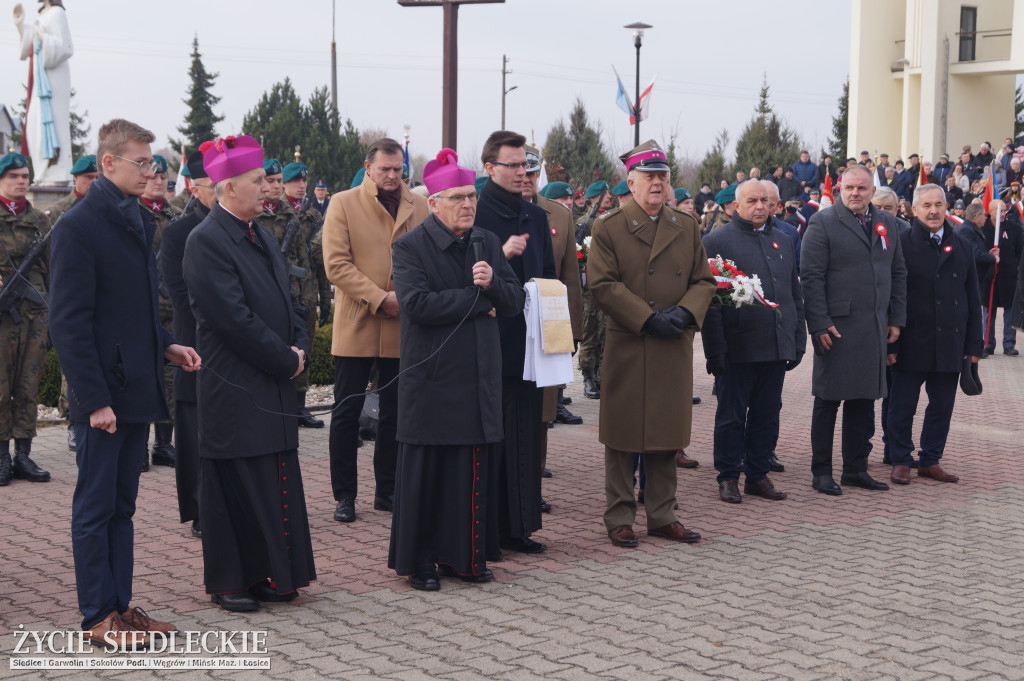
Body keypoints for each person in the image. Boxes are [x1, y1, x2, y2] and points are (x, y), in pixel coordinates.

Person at [49, 119, 200, 644]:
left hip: (136, 386)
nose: (150, 171)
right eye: (140, 162)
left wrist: (166, 345)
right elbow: (68, 323)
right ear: (108, 163)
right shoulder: (78, 226)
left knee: (123, 506)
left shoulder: (137, 218)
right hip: (104, 396)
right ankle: (97, 616)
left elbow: (132, 311)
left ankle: (120, 607)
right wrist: (92, 400)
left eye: (152, 163)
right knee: (95, 506)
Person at [182, 134, 315, 613]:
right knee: (236, 482)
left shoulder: (260, 232)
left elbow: (289, 302)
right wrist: (287, 359)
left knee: (274, 474)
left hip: (273, 381)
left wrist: (300, 345)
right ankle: (231, 581)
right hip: (236, 385)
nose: (268, 189)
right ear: (228, 186)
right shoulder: (206, 241)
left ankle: (272, 575)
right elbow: (233, 320)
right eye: (258, 181)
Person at [387, 148, 524, 591]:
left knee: (470, 472)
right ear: (433, 203)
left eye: (471, 196)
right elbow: (417, 305)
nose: (468, 204)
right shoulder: (409, 247)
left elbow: (515, 299)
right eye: (457, 197)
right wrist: (477, 297)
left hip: (478, 378)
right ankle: (422, 562)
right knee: (429, 475)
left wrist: (493, 288)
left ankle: (465, 557)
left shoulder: (484, 241)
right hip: (432, 382)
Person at [588, 139, 715, 548]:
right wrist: (647, 317)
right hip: (631, 341)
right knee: (623, 434)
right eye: (649, 176)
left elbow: (704, 281)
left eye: (662, 176)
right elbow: (603, 285)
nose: (657, 183)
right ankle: (620, 516)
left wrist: (684, 315)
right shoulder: (608, 227)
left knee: (666, 432)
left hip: (671, 343)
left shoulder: (686, 225)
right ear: (632, 181)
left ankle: (663, 515)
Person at [322, 138, 429, 522]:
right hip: (359, 321)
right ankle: (344, 495)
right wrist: (379, 297)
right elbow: (336, 264)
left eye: (397, 170)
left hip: (403, 323)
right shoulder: (344, 203)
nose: (391, 176)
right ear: (368, 167)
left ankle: (388, 490)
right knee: (347, 412)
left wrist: (407, 296)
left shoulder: (419, 206)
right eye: (383, 169)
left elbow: (427, 258)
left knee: (396, 414)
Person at [800, 164, 907, 496]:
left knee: (863, 400)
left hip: (874, 327)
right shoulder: (823, 222)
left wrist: (896, 319)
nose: (855, 193)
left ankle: (855, 469)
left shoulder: (888, 224)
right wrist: (818, 323)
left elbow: (898, 274)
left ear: (872, 191)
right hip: (836, 328)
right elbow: (811, 277)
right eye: (849, 188)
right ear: (839, 190)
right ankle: (821, 472)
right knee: (828, 400)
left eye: (862, 188)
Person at [475, 130, 556, 555]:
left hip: (531, 344)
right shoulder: (475, 213)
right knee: (495, 436)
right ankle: (489, 529)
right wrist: (500, 253)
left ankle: (521, 527)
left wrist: (556, 337)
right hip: (490, 342)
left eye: (525, 164)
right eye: (512, 165)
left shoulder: (536, 217)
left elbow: (551, 277)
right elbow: (461, 277)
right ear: (490, 168)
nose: (521, 172)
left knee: (526, 435)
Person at [702, 180, 805, 503]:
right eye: (752, 201)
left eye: (765, 201)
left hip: (774, 345)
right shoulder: (716, 241)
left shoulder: (784, 240)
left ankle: (758, 475)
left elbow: (792, 294)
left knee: (767, 413)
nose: (760, 206)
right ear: (736, 205)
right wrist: (715, 349)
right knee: (732, 415)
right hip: (738, 347)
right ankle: (729, 476)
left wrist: (797, 337)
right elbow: (709, 302)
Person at [885, 184, 983, 485]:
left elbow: (972, 297)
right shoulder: (900, 244)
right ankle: (901, 459)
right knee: (902, 405)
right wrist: (893, 342)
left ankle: (930, 459)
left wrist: (974, 345)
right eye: (926, 205)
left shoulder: (963, 245)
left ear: (947, 207)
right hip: (912, 340)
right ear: (914, 209)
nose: (933, 211)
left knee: (942, 407)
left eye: (939, 204)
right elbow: (892, 296)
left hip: (950, 342)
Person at [158, 149, 215, 539]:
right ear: (194, 187)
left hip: (235, 350)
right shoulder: (179, 232)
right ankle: (198, 509)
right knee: (194, 431)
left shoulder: (245, 227)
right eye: (215, 186)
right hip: (196, 343)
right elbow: (179, 293)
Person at [0, 152, 52, 486]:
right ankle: (2, 457)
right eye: (14, 176)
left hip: (33, 314)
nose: (21, 180)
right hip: (3, 316)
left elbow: (51, 268)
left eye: (24, 175)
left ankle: (24, 456)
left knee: (29, 385)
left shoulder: (40, 221)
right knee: (1, 387)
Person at [139, 154, 180, 470]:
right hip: (139, 309)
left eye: (163, 176)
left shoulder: (177, 217)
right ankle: (138, 446)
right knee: (140, 377)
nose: (158, 180)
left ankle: (164, 445)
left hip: (172, 310)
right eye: (153, 175)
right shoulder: (130, 214)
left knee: (170, 379)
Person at [13, 0, 73, 185]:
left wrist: (42, 37)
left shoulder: (57, 13)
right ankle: (42, 171)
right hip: (39, 78)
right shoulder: (42, 14)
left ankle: (56, 172)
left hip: (53, 79)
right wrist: (20, 25)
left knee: (53, 121)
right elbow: (29, 46)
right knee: (34, 124)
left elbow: (66, 47)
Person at [982, 199, 1022, 355]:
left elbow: (1020, 251)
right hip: (989, 276)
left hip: (1009, 276)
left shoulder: (1014, 228)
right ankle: (988, 343)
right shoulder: (983, 228)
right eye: (999, 211)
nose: (1003, 214)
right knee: (988, 311)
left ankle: (1009, 343)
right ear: (990, 211)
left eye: (1004, 211)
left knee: (1010, 311)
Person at [49, 155, 98, 223]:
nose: (94, 182)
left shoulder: (109, 205)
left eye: (98, 178)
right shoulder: (58, 210)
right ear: (75, 177)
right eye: (89, 177)